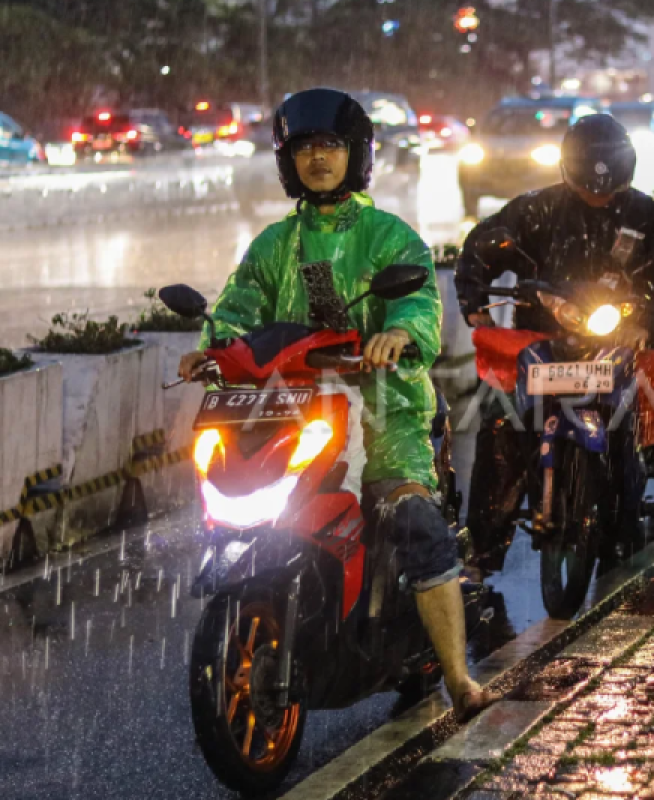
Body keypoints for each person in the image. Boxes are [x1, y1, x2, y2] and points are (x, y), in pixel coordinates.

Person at [177, 88, 494, 721]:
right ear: (286, 160)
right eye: (303, 147)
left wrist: (400, 333)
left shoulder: (388, 235)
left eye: (330, 146)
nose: (317, 159)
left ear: (357, 156)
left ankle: (459, 678)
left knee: (414, 522)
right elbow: (238, 310)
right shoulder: (273, 245)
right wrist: (210, 348)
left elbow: (419, 302)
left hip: (385, 412)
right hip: (291, 409)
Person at [456, 114, 654, 571]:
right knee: (499, 423)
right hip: (542, 342)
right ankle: (483, 552)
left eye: (607, 188)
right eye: (588, 187)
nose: (598, 196)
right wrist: (473, 294)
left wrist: (649, 322)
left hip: (623, 338)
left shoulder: (646, 214)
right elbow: (483, 245)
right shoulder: (534, 209)